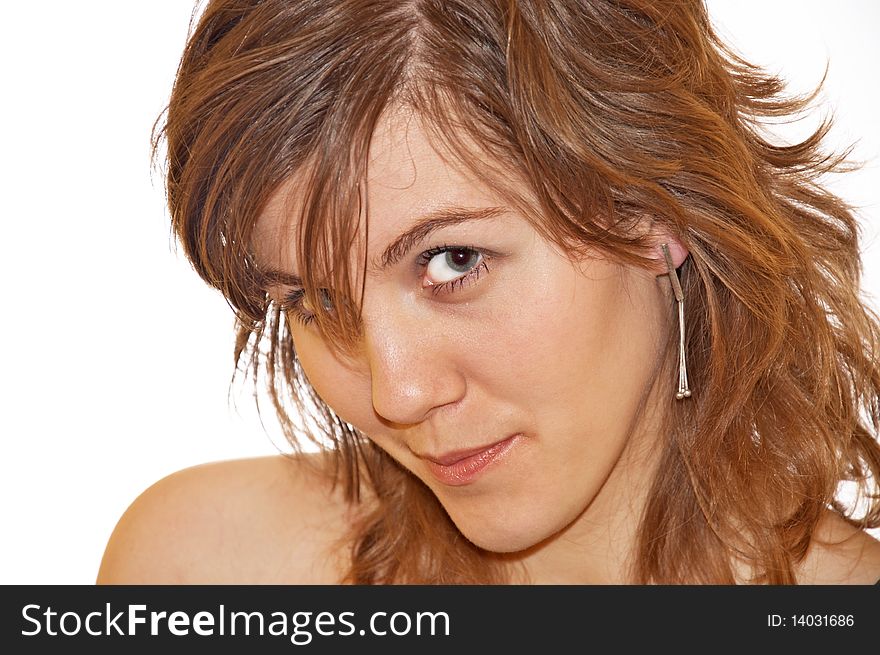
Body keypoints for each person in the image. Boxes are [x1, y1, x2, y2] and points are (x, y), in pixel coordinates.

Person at [97, 0, 880, 585]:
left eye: (453, 260)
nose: (396, 391)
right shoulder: (202, 571)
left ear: (656, 209)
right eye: (320, 302)